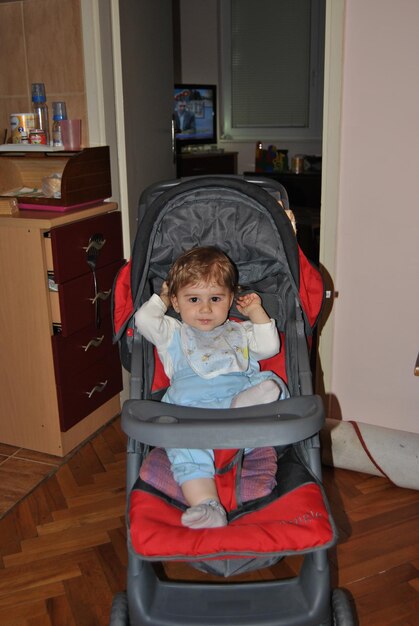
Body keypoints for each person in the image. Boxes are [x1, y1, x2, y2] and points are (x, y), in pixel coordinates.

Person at [134, 246, 288, 529]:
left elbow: (269, 347)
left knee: (270, 384)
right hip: (192, 413)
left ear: (230, 299)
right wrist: (162, 299)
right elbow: (144, 320)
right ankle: (207, 505)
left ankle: (242, 411)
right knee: (185, 451)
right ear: (177, 303)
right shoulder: (173, 333)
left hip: (238, 402)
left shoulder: (239, 332)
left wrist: (256, 314)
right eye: (193, 299)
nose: (205, 308)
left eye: (215, 298)